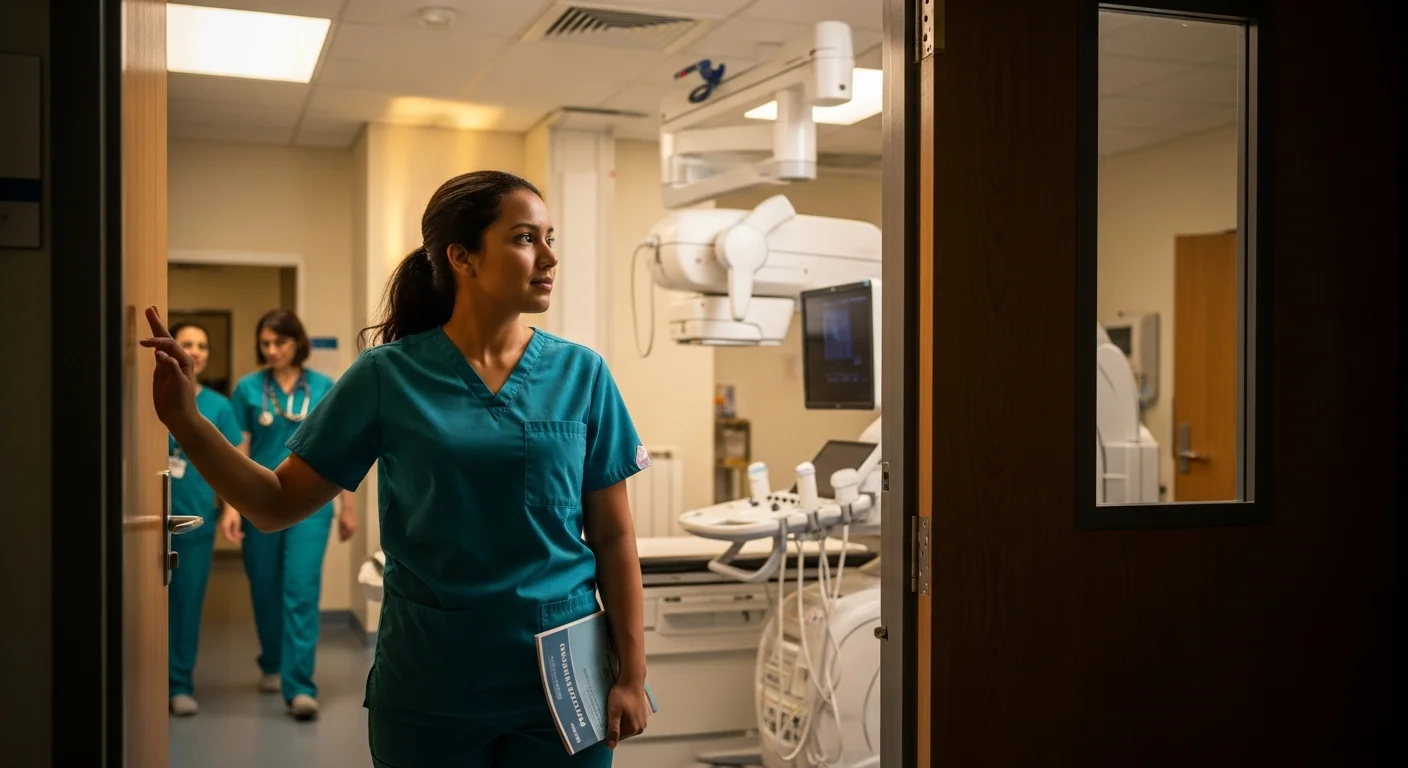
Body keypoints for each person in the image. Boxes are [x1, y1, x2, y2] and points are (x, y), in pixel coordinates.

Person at [143, 170, 652, 766]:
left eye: (550, 237)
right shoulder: (388, 376)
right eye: (524, 238)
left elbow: (615, 536)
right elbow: (277, 503)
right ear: (462, 257)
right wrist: (186, 421)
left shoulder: (581, 375)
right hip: (432, 684)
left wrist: (632, 673)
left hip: (563, 683)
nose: (549, 256)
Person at [223, 308, 358, 720]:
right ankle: (272, 663)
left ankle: (299, 685)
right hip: (257, 501)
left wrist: (347, 507)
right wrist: (230, 505)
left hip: (311, 505)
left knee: (300, 589)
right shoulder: (248, 389)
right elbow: (237, 450)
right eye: (265, 344)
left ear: (297, 342)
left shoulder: (324, 386)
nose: (272, 350)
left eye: (279, 342)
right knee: (264, 585)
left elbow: (343, 450)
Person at [166, 321, 244, 718]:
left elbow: (234, 463)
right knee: (143, 606)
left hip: (194, 521)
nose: (195, 351)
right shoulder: (150, 396)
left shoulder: (218, 406)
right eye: (186, 343)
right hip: (147, 521)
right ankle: (143, 680)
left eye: (201, 345)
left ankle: (179, 683)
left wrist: (232, 509)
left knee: (186, 604)